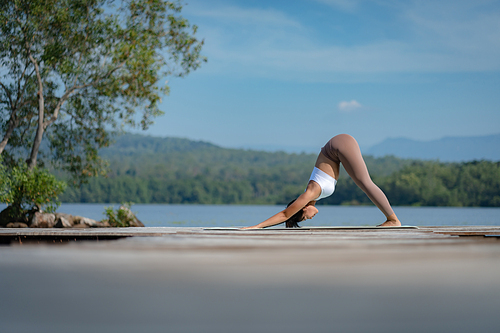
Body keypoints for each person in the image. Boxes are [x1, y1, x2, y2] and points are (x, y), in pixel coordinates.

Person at [242, 134, 401, 229]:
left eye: (304, 218)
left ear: (304, 208)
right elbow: (288, 215)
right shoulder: (314, 197)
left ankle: (393, 220)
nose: (309, 219)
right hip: (337, 149)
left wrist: (256, 226)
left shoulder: (311, 192)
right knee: (362, 181)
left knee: (364, 182)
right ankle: (392, 219)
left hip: (338, 144)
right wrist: (291, 222)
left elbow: (285, 214)